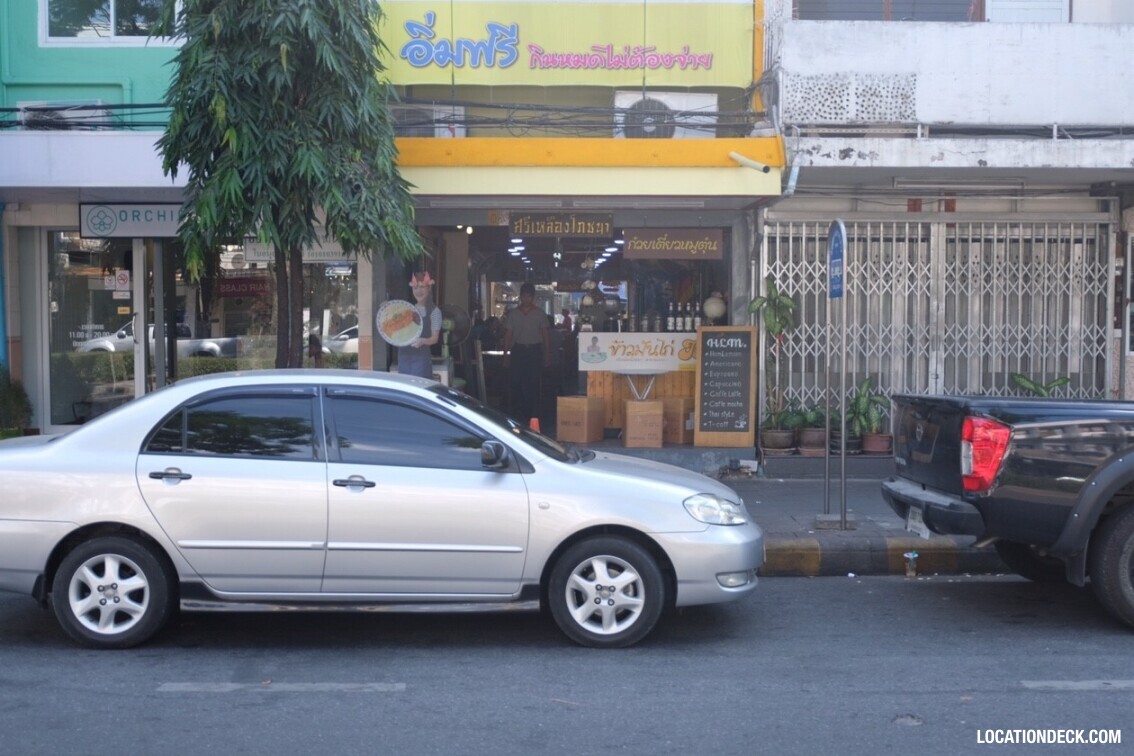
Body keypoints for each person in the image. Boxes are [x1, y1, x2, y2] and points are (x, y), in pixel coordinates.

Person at [503, 282, 551, 424]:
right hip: (518, 350)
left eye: (529, 297)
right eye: (524, 296)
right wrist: (506, 355)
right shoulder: (513, 314)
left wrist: (547, 354)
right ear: (520, 297)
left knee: (533, 382)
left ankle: (534, 413)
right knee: (516, 382)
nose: (526, 299)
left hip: (534, 351)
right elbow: (508, 336)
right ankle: (518, 413)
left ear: (533, 297)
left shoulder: (540, 314)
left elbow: (545, 335)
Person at [397, 271, 442, 379]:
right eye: (415, 288)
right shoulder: (407, 309)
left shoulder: (434, 312)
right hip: (403, 358)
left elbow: (434, 338)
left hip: (421, 360)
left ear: (429, 288)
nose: (418, 291)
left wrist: (422, 341)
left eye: (422, 287)